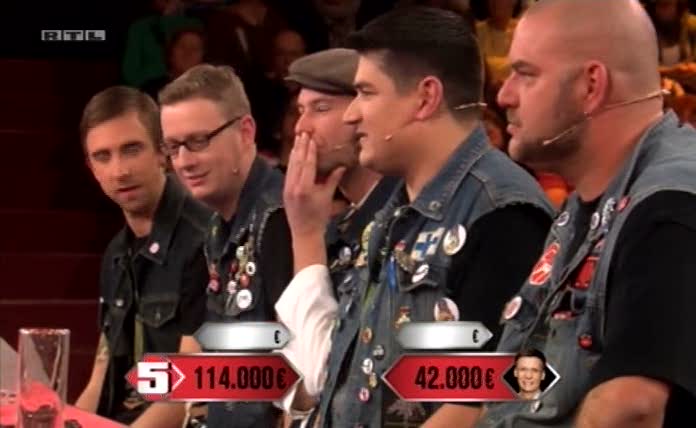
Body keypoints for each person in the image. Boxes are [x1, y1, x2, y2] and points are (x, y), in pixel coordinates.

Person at [281, 7, 554, 427]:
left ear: (425, 98)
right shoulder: (395, 212)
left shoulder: (503, 214)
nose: (352, 114)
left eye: (366, 93)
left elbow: (478, 405)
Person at [475, 0, 696, 426]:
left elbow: (631, 409)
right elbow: (528, 378)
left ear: (591, 85)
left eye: (525, 74)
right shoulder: (589, 204)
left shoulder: (670, 204)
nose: (504, 95)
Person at [158, 64, 293, 428]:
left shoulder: (280, 218)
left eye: (199, 141)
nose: (184, 161)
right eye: (173, 147)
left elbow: (302, 379)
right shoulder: (218, 226)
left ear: (245, 132)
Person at [273, 48, 399, 423]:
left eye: (321, 108)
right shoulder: (339, 225)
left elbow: (321, 378)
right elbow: (292, 386)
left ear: (364, 111)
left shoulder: (396, 219)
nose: (301, 127)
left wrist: (305, 235)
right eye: (300, 110)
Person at [74, 86, 211, 428]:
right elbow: (101, 376)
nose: (119, 171)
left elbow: (188, 388)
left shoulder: (204, 239)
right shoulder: (116, 254)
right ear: (91, 168)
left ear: (163, 150)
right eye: (102, 156)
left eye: (131, 149)